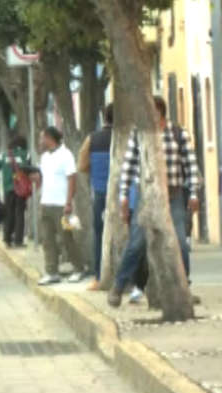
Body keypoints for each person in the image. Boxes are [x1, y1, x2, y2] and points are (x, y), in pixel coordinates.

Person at [108, 97, 202, 307]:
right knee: (137, 243)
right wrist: (123, 196)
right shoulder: (138, 134)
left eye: (154, 112)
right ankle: (119, 286)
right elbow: (129, 167)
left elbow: (191, 165)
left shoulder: (178, 133)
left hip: (174, 196)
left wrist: (194, 193)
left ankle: (183, 287)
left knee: (180, 243)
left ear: (161, 113)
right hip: (146, 196)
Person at [33, 127, 85, 285]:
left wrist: (69, 202)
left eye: (43, 138)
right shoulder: (44, 157)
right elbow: (44, 179)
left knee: (67, 238)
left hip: (62, 205)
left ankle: (78, 268)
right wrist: (36, 179)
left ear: (50, 138)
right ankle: (51, 271)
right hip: (46, 203)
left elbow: (72, 179)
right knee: (47, 240)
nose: (41, 141)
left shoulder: (66, 155)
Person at [78, 104, 114, 290]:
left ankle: (99, 277)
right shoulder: (127, 138)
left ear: (104, 117)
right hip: (125, 193)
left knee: (99, 234)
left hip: (100, 192)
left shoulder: (92, 139)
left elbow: (82, 166)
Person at [0, 137, 32, 247]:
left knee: (8, 213)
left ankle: (7, 239)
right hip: (21, 188)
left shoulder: (3, 155)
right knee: (19, 213)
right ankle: (18, 240)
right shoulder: (25, 154)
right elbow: (29, 168)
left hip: (8, 188)